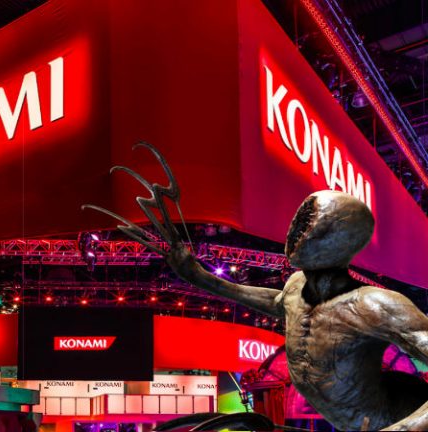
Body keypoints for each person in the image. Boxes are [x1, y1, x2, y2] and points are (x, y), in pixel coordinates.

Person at [86, 142, 428, 431]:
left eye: (314, 226)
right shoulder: (297, 286)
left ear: (342, 240)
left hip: (384, 421)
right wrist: (200, 276)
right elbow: (278, 302)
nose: (298, 231)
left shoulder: (376, 305)